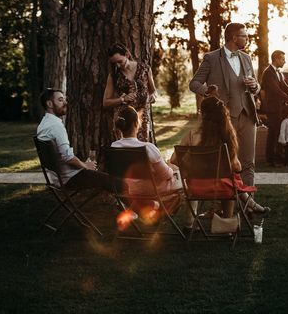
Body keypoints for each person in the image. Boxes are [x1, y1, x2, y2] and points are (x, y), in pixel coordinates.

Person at [175, 96, 269, 226]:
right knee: (232, 179)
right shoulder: (226, 137)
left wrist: (191, 167)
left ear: (202, 114)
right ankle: (229, 220)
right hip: (222, 189)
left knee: (229, 180)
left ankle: (189, 223)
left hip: (196, 187)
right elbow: (237, 167)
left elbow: (174, 160)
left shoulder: (191, 135)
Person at [189, 22, 260, 187]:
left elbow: (256, 86)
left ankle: (248, 202)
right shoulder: (212, 58)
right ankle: (225, 204)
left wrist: (255, 86)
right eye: (244, 36)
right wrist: (209, 92)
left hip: (248, 115)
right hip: (224, 118)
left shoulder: (246, 58)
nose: (248, 39)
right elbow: (194, 83)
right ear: (234, 38)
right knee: (225, 162)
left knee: (248, 162)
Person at [36, 88, 113, 191]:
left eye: (64, 99)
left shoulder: (43, 125)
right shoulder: (56, 126)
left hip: (57, 178)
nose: (65, 103)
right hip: (69, 178)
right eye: (60, 100)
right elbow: (68, 157)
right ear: (49, 104)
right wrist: (85, 166)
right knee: (115, 182)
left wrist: (82, 164)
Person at [110, 106, 182, 200]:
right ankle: (173, 208)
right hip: (151, 189)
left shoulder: (114, 147)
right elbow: (166, 175)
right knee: (181, 176)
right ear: (136, 123)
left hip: (128, 189)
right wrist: (171, 168)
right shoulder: (148, 148)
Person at [103, 43, 157, 143]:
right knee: (125, 152)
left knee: (142, 150)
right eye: (114, 63)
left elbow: (153, 91)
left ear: (127, 55)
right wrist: (122, 99)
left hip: (142, 118)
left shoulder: (145, 69)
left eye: (120, 61)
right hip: (123, 121)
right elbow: (106, 102)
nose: (117, 66)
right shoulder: (113, 76)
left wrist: (152, 96)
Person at [260, 50, 288, 166]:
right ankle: (271, 159)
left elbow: (285, 87)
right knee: (273, 133)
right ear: (276, 59)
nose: (284, 61)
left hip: (279, 107)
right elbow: (275, 90)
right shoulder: (268, 73)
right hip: (272, 108)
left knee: (276, 132)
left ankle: (275, 158)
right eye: (282, 59)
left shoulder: (279, 73)